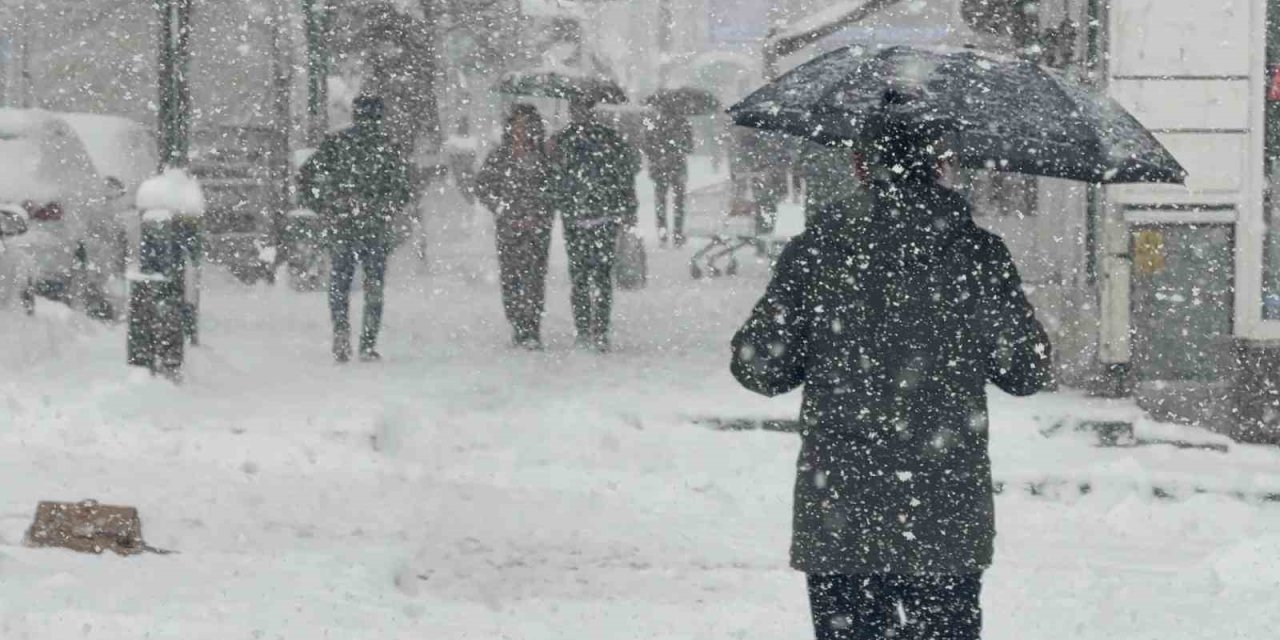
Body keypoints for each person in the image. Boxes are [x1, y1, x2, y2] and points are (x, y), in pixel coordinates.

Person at [729, 106, 1054, 640]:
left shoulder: (817, 251)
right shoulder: (977, 255)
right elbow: (1024, 370)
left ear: (860, 164)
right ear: (942, 165)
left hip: (843, 511)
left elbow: (760, 367)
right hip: (943, 514)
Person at [300, 95, 413, 363]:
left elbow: (306, 176)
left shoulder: (337, 143)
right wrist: (384, 206)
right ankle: (367, 343)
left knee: (340, 282)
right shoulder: (388, 147)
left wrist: (324, 204)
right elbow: (403, 190)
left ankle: (342, 335)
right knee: (373, 287)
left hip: (343, 224)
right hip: (374, 227)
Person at [549, 99, 641, 352]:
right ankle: (589, 330)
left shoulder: (598, 139)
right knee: (586, 277)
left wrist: (628, 206)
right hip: (584, 217)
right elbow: (554, 176)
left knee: (595, 277)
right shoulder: (566, 141)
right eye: (576, 110)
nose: (579, 114)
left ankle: (595, 330)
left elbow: (626, 172)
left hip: (596, 217)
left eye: (582, 110)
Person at [474, 104, 555, 350]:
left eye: (529, 125)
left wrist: (542, 212)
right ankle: (518, 324)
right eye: (519, 126)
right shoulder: (500, 156)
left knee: (534, 278)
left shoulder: (544, 157)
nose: (524, 131)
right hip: (509, 228)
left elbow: (555, 188)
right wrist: (500, 208)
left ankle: (531, 327)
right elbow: (482, 186)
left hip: (537, 228)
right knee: (512, 278)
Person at [644, 109, 693, 247]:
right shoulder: (682, 123)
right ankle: (677, 234)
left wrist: (659, 155)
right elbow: (690, 147)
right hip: (676, 168)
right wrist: (677, 149)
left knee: (661, 202)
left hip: (660, 168)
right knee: (678, 203)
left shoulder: (654, 123)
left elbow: (647, 146)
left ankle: (663, 234)